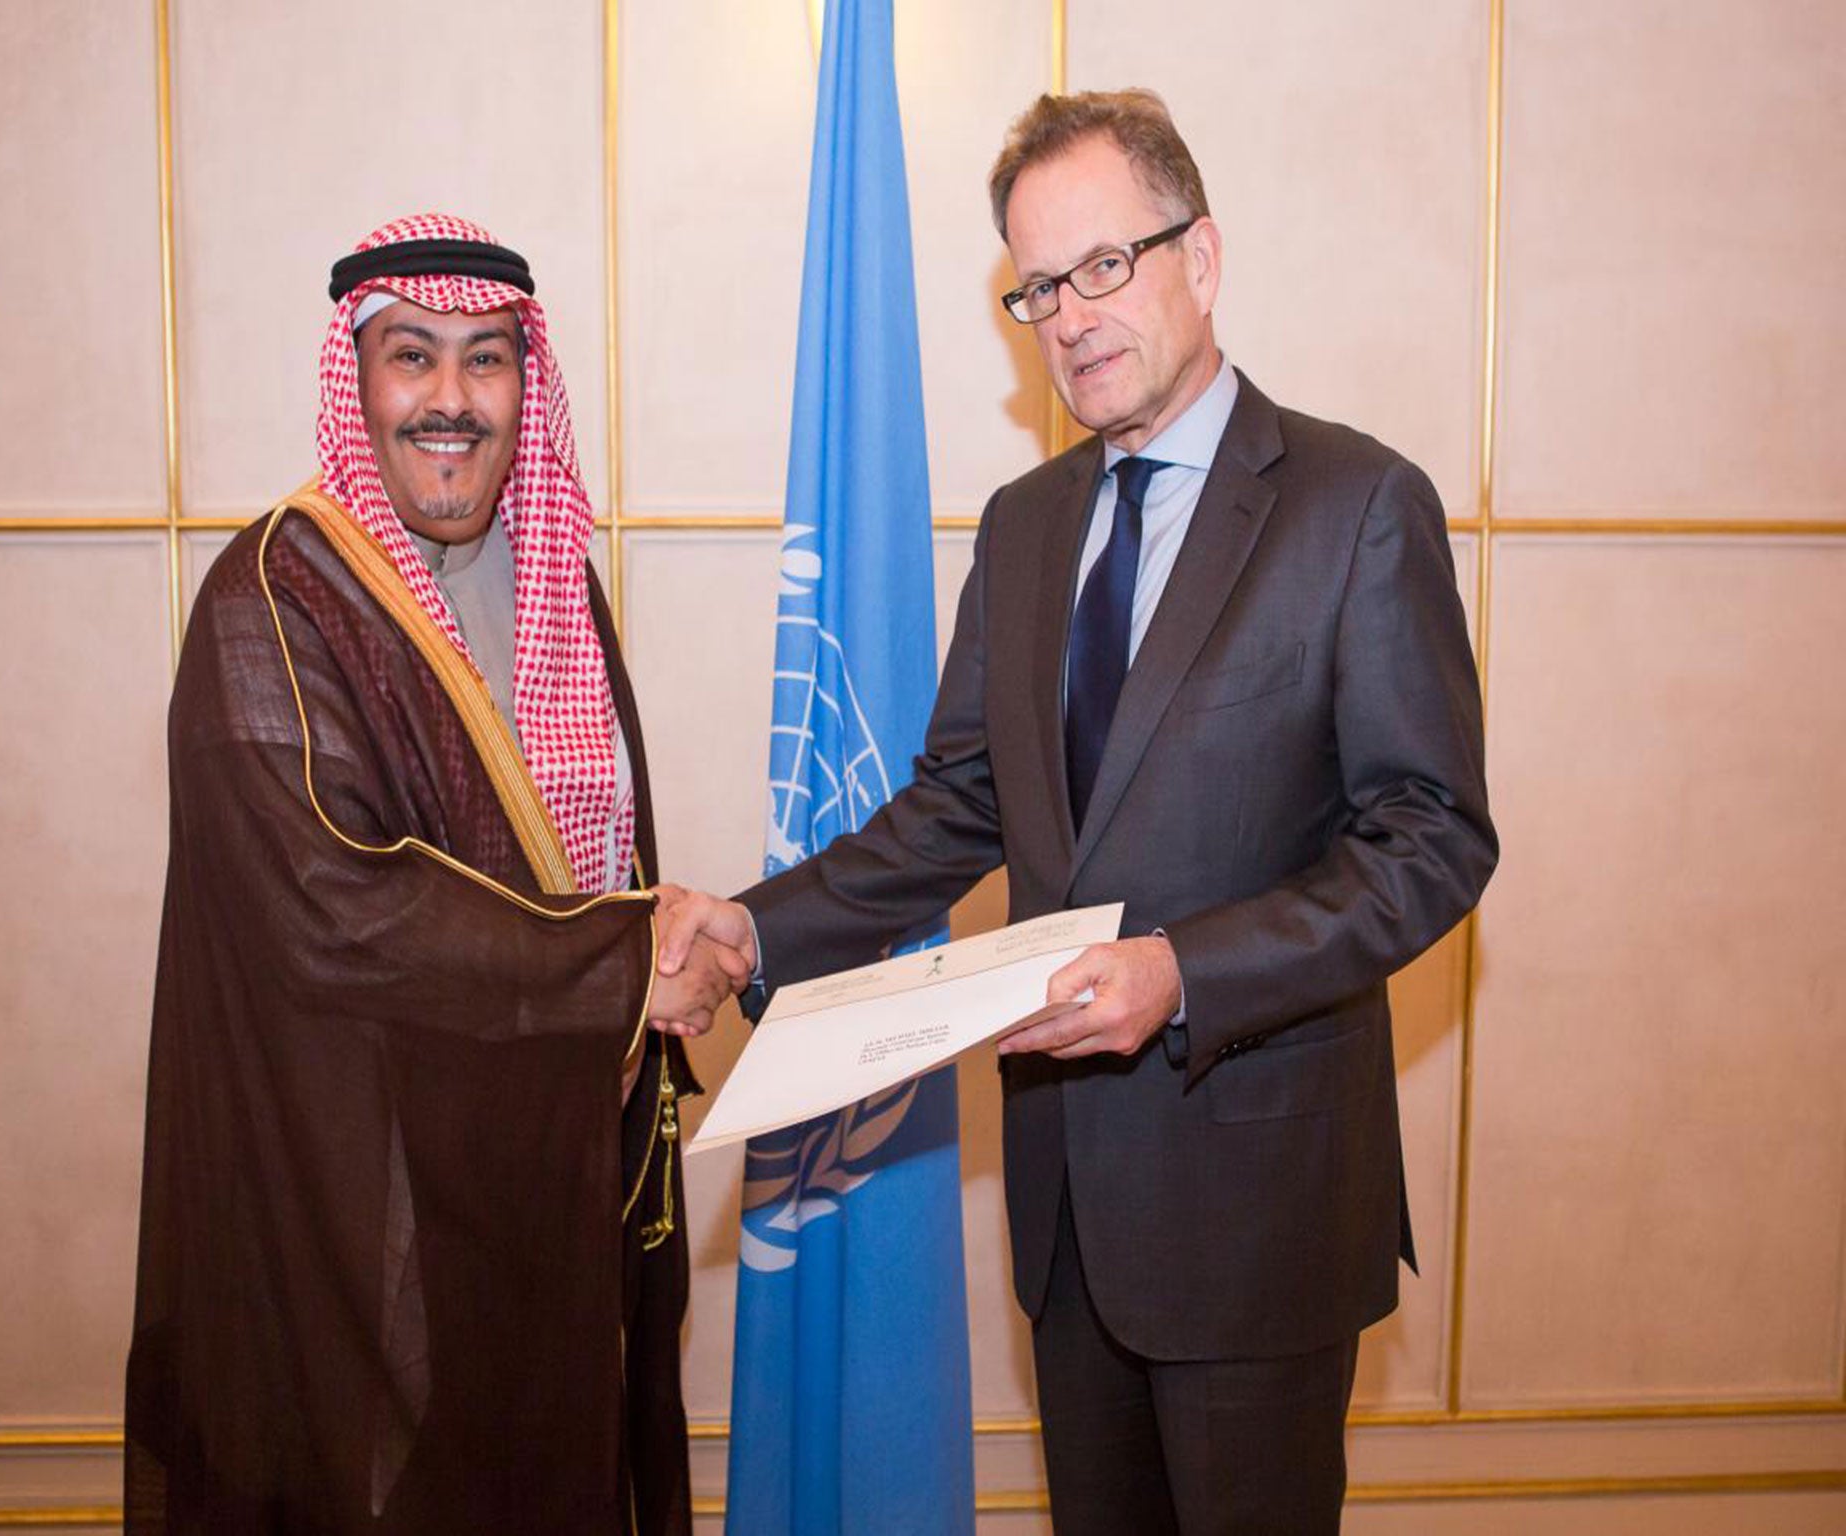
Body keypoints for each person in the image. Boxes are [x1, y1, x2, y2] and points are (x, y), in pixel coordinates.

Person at [658, 91, 1497, 1533]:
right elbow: (960, 805)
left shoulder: (1358, 505)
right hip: (1065, 1215)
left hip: (1257, 1205)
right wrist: (748, 927)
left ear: (1203, 258)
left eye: (1105, 264)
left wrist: (1185, 974)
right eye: (1039, 285)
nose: (1071, 316)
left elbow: (1432, 840)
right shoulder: (1028, 523)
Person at [124, 213, 746, 1536]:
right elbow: (336, 913)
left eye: (487, 360)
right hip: (376, 1204)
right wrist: (632, 960)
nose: (452, 401)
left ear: (531, 385)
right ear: (358, 380)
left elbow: (593, 849)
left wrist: (653, 946)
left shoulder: (559, 580)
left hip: (554, 1168)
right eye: (414, 358)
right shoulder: (271, 603)